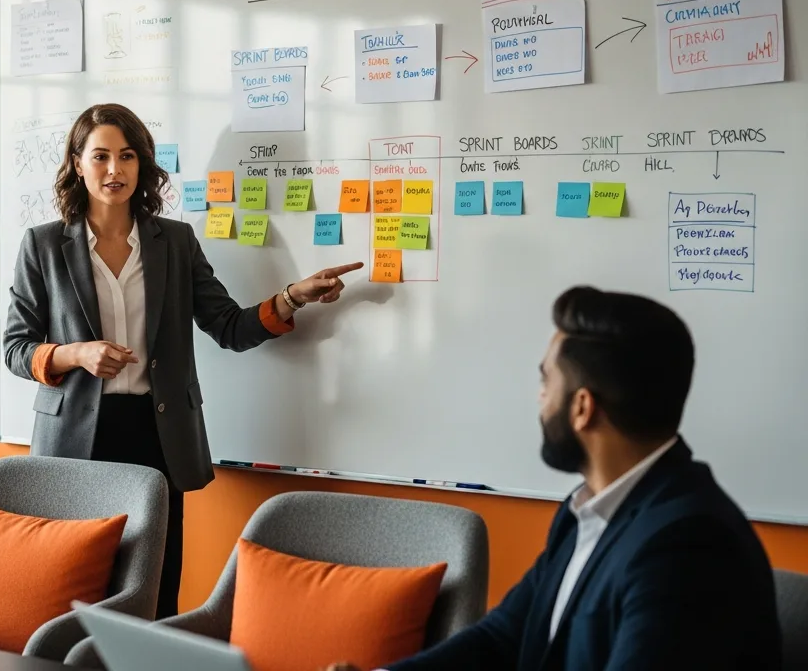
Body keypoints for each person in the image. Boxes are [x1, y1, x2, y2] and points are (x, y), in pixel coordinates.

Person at [2, 103, 363, 618]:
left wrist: (292, 296)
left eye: (127, 157)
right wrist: (74, 354)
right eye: (100, 156)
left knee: (155, 589)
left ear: (142, 165)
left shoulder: (173, 242)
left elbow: (229, 327)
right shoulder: (42, 245)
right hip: (76, 441)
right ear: (77, 163)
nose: (114, 170)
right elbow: (16, 347)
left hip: (158, 435)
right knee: (73, 595)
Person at [325, 286, 780, 671]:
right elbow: (504, 636)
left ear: (582, 407)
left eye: (547, 382)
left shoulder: (689, 547)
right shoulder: (587, 511)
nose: (540, 398)